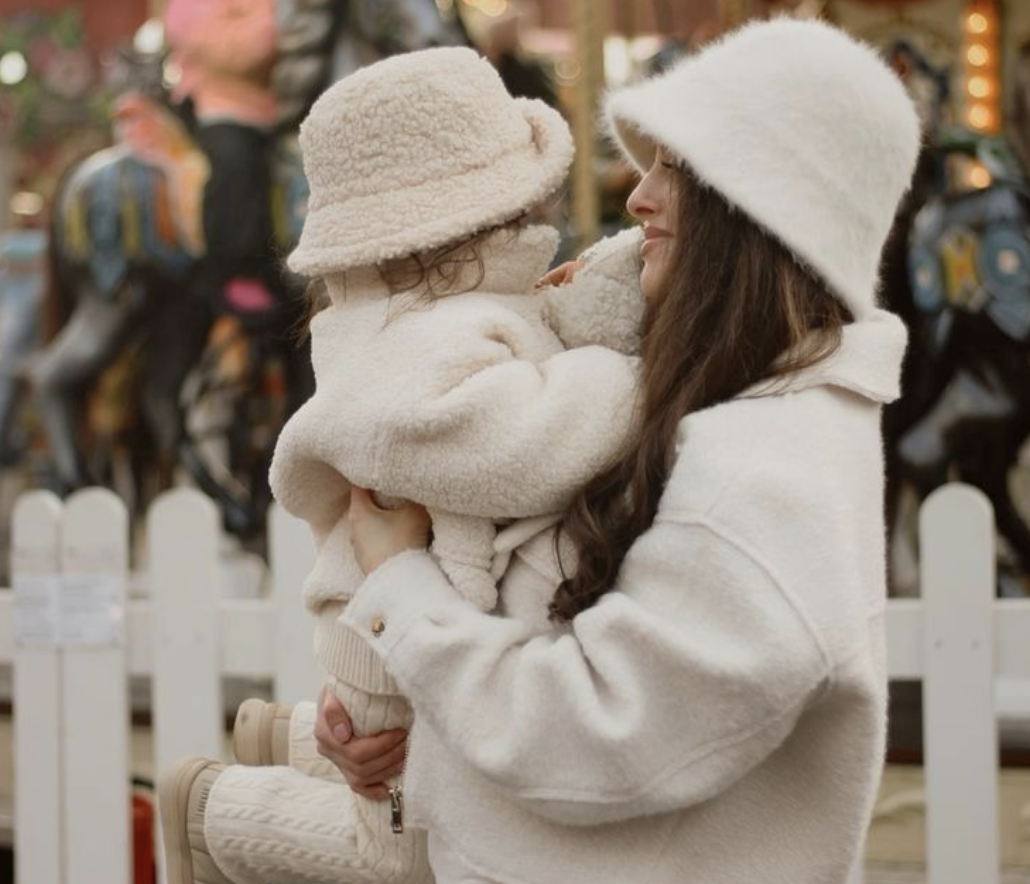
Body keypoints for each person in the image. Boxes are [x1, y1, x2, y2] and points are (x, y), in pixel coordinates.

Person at [311, 18, 921, 884]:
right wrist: (402, 725)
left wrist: (398, 590)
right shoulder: (727, 408)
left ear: (757, 207)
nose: (639, 198)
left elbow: (587, 740)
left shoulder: (765, 473)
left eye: (677, 170)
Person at [156, 46, 644, 884]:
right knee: (405, 850)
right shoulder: (421, 340)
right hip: (385, 633)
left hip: (407, 608)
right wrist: (627, 376)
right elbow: (515, 446)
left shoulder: (434, 308)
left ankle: (283, 738)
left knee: (420, 785)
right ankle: (210, 813)